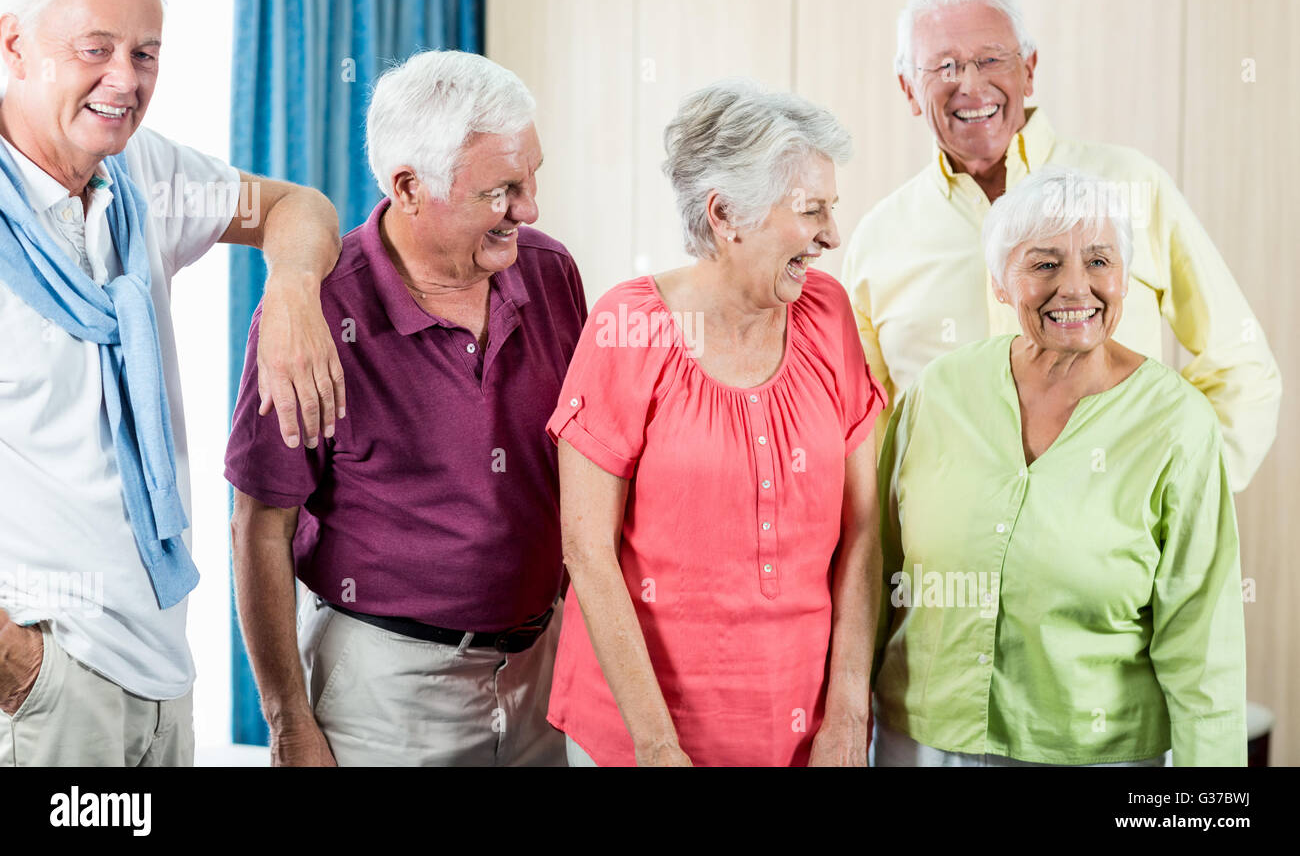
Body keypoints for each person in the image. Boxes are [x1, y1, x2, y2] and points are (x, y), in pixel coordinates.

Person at [0, 0, 344, 767]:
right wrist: (18, 667)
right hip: (48, 686)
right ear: (14, 44)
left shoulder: (140, 176)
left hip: (162, 673)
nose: (125, 80)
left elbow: (299, 206)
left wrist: (293, 291)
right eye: (96, 49)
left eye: (145, 53)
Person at [225, 49, 586, 766]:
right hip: (384, 688)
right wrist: (289, 721)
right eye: (502, 189)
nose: (530, 207)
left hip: (539, 669)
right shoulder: (313, 314)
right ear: (409, 186)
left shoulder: (550, 273)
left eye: (533, 175)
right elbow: (261, 528)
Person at [549, 81, 885, 766]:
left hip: (803, 733)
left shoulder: (827, 315)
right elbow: (587, 550)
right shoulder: (629, 327)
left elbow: (867, 529)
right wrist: (657, 745)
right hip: (641, 736)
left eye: (832, 209)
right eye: (811, 210)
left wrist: (848, 712)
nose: (831, 235)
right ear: (727, 213)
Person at [840, 0, 1280, 492]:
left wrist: (1185, 500)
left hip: (1116, 560)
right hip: (947, 563)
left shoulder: (1131, 184)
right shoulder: (878, 237)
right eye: (945, 66)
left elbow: (1240, 364)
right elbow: (857, 428)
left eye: (992, 59)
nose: (971, 85)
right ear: (908, 89)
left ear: (1028, 71)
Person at [872, 166, 1247, 767]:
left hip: (1096, 754)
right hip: (919, 742)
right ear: (1000, 282)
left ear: (1125, 277)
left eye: (1099, 261)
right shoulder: (939, 392)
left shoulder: (1176, 423)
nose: (1075, 288)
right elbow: (879, 568)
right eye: (1044, 264)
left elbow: (1203, 644)